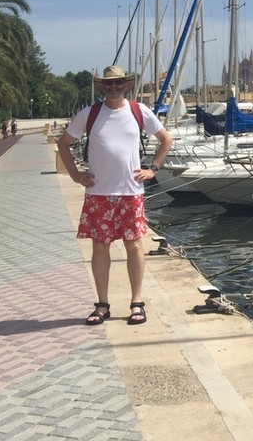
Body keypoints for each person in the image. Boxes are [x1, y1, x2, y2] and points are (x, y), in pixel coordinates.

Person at [57, 65, 173, 326]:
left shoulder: (139, 111)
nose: (113, 87)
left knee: (134, 246)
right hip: (99, 192)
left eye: (118, 83)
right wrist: (75, 175)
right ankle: (102, 304)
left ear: (125, 85)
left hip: (130, 192)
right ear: (102, 87)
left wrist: (153, 169)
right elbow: (64, 143)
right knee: (100, 247)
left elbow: (166, 139)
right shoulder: (89, 114)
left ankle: (137, 302)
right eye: (108, 84)